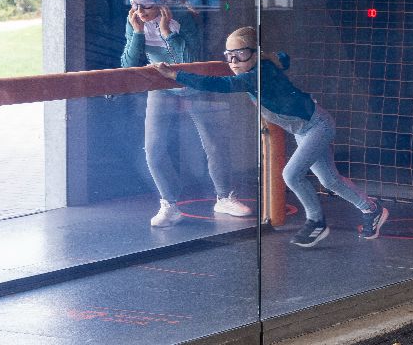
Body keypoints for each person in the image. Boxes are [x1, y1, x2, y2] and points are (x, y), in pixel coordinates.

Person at [153, 26, 389, 247]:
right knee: (330, 181)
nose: (234, 62)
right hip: (305, 130)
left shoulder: (259, 73)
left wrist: (176, 75)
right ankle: (371, 208)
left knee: (291, 174)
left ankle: (316, 222)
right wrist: (277, 57)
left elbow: (222, 85)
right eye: (229, 55)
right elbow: (281, 58)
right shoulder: (260, 66)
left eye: (241, 54)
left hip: (317, 126)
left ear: (255, 54)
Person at [121, 0, 252, 227]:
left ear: (162, 1)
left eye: (146, 3)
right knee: (153, 148)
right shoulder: (135, 21)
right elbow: (128, 64)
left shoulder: (182, 16)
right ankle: (169, 204)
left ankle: (224, 197)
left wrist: (167, 33)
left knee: (213, 143)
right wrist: (138, 33)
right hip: (161, 86)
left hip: (193, 83)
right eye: (134, 3)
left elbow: (189, 60)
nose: (139, 10)